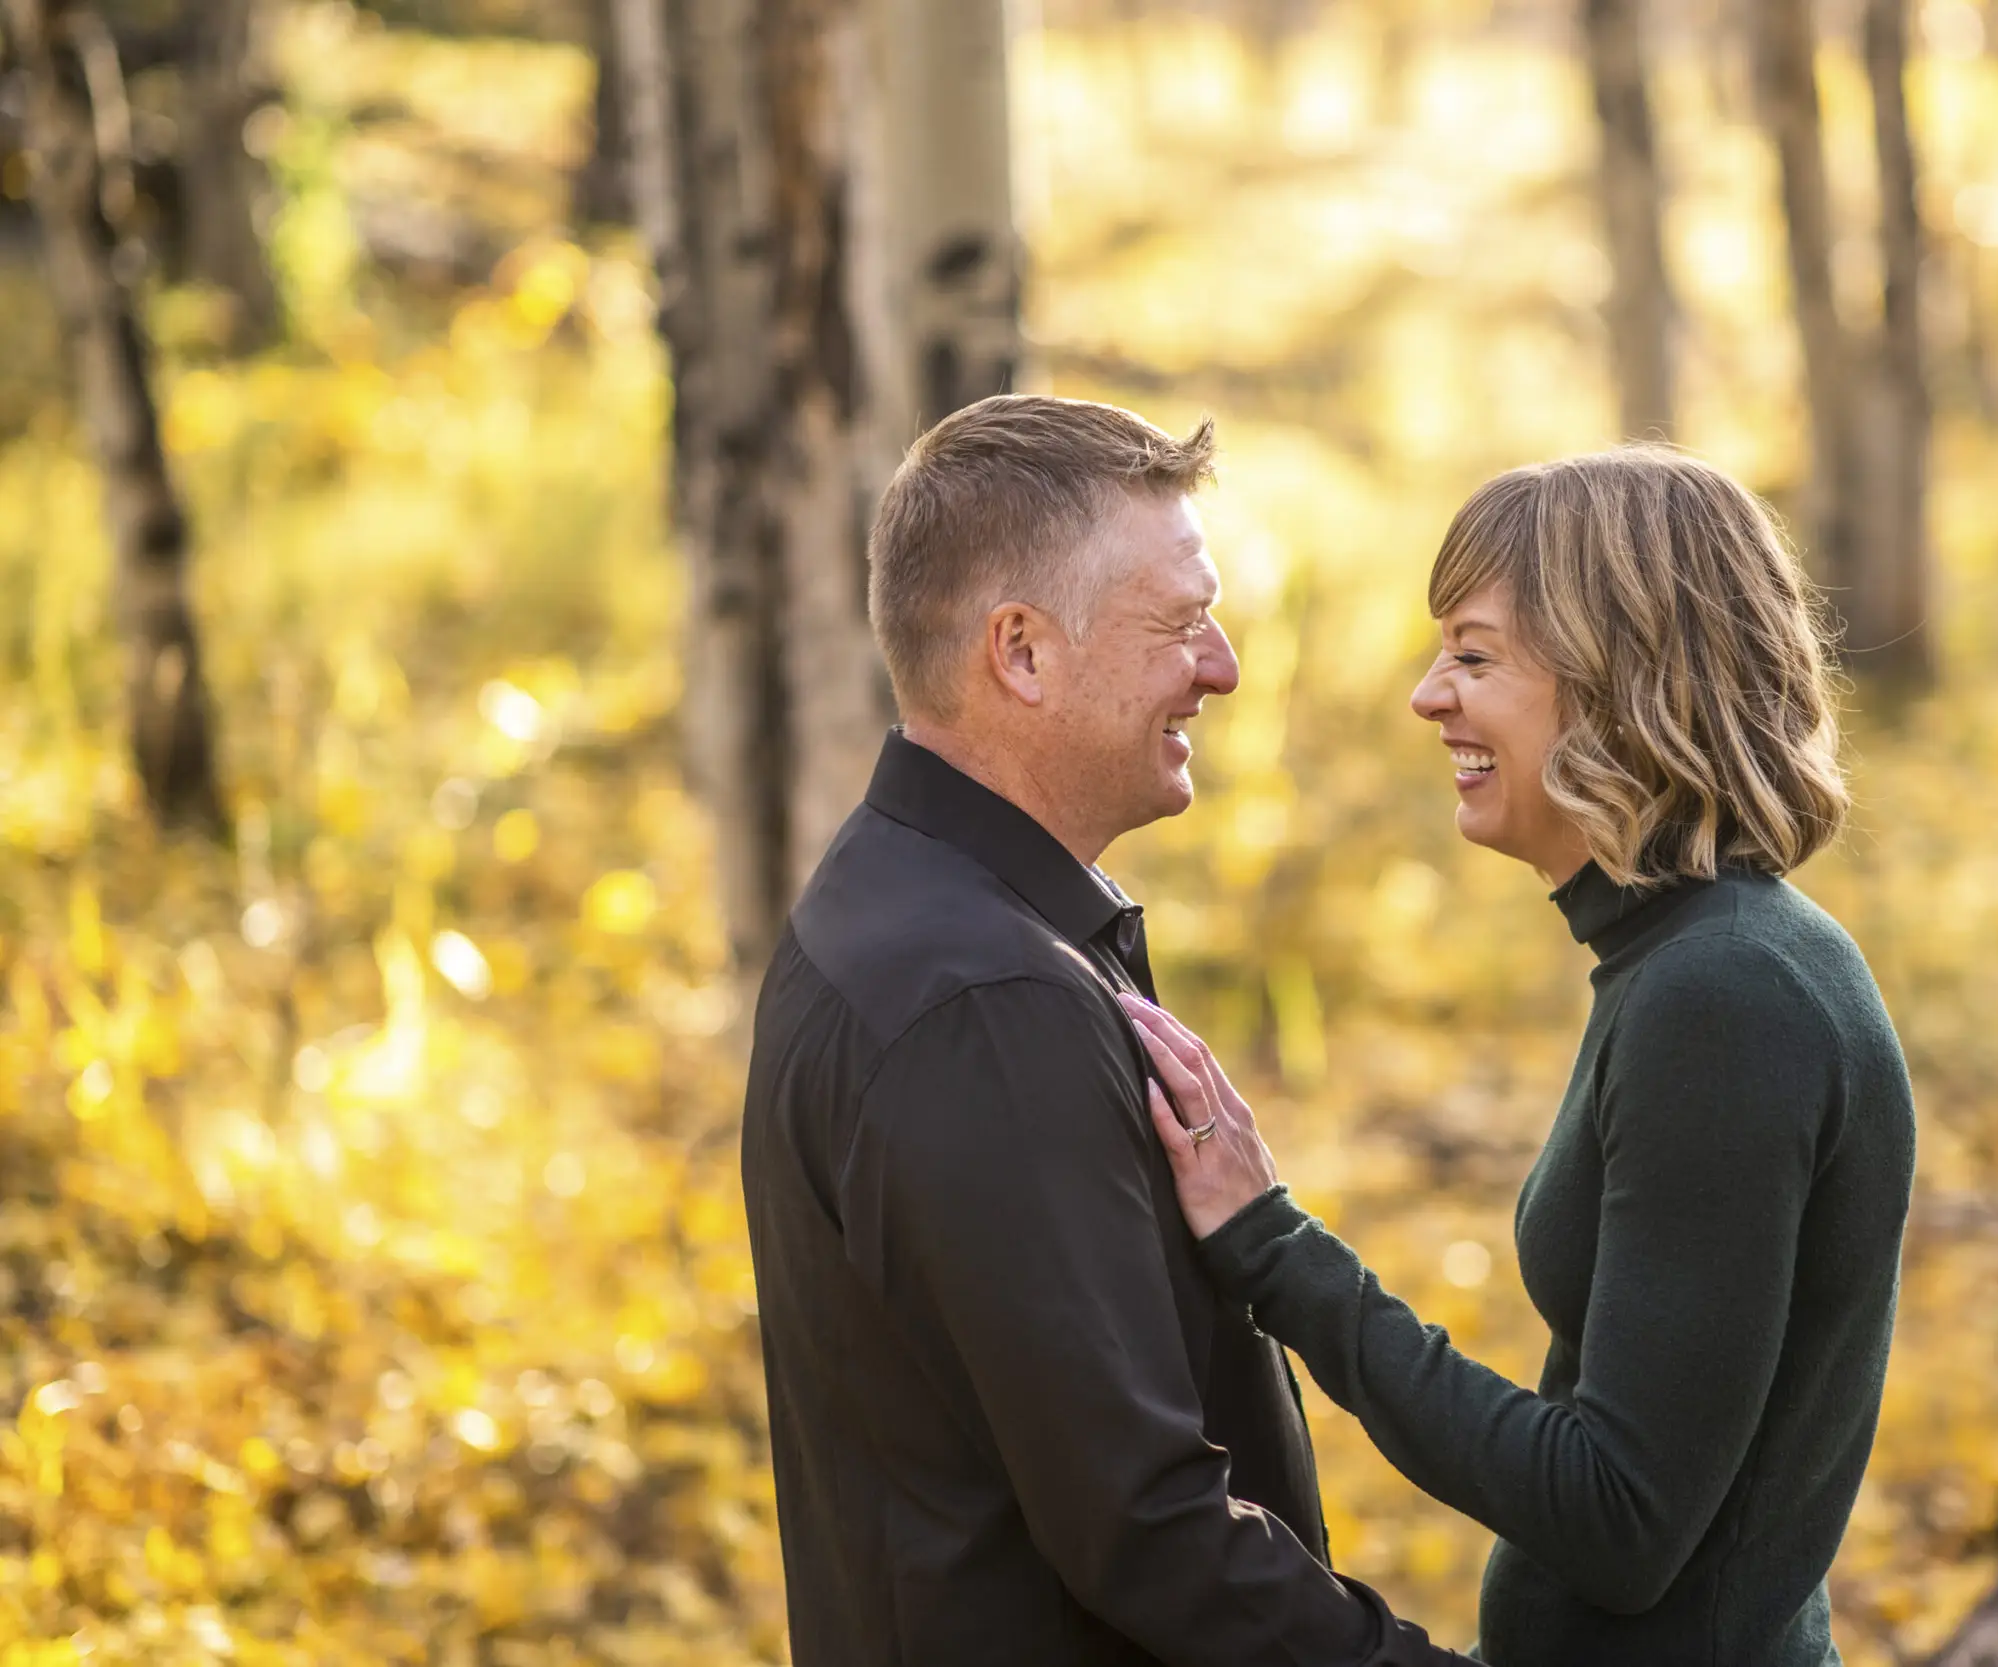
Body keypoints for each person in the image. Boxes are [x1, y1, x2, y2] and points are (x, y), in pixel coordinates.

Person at [1121, 448, 1919, 1667]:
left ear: (1620, 680)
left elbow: (1621, 1519)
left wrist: (1277, 1251)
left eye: (1475, 655)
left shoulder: (1725, 998)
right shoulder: (1701, 962)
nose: (1427, 696)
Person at [740, 394, 1465, 1666]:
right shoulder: (983, 1004)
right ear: (1021, 652)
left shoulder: (892, 900)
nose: (1224, 665)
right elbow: (1145, 1529)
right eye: (1180, 623)